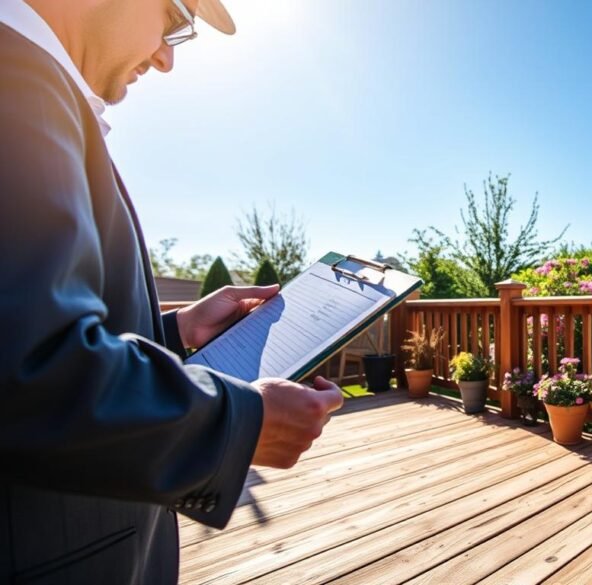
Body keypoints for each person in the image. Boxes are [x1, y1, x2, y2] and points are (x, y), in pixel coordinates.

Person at [0, 0, 344, 582]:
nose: (164, 59)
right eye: (174, 22)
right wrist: (242, 422)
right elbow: (25, 371)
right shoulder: (18, 82)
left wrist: (175, 331)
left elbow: (29, 327)